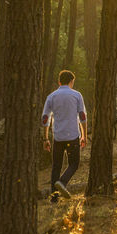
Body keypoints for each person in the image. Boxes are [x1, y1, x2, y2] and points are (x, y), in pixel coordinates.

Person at [42, 70, 87, 202]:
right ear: (71, 82)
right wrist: (84, 135)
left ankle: (53, 198)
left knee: (56, 166)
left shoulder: (51, 96)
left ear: (59, 81)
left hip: (58, 137)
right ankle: (62, 182)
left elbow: (45, 118)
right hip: (73, 136)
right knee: (74, 163)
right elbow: (82, 117)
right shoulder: (76, 95)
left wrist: (45, 138)